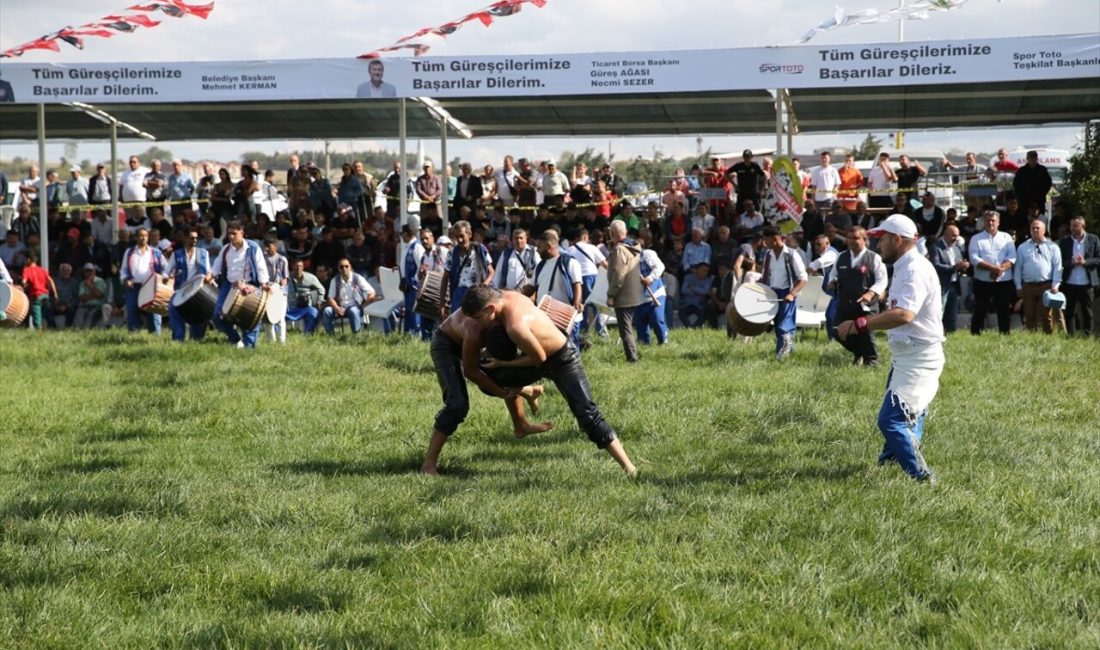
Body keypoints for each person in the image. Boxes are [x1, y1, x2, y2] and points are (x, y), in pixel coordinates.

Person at [448, 286, 637, 477]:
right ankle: (530, 391)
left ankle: (630, 468)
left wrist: (503, 362)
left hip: (561, 359)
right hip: (537, 357)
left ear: (490, 309)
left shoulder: (515, 325)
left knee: (587, 415)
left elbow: (539, 357)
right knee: (489, 381)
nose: (478, 325)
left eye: (478, 319)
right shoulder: (508, 295)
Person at [837, 215, 942, 484]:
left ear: (897, 240)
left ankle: (922, 476)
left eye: (882, 238)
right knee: (907, 412)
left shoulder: (914, 269)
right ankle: (888, 463)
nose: (879, 243)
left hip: (918, 356)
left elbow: (904, 314)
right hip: (908, 355)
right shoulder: (906, 265)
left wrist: (861, 323)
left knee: (891, 420)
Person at [420, 299, 553, 475]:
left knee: (504, 374)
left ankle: (521, 424)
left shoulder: (508, 318)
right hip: (446, 345)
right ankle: (428, 465)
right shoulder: (474, 330)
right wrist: (500, 392)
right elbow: (471, 372)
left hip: (480, 340)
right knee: (457, 405)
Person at [826, 226, 888, 365]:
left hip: (865, 305)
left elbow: (882, 280)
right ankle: (859, 352)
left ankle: (871, 363)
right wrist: (832, 281)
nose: (851, 241)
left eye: (856, 238)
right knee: (837, 331)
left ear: (865, 240)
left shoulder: (874, 258)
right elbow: (833, 274)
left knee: (866, 335)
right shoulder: (841, 256)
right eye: (849, 238)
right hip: (845, 304)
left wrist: (871, 293)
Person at [206, 221, 271, 348]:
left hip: (250, 285)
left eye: (234, 234)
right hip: (229, 285)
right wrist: (208, 277)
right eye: (229, 233)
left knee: (251, 316)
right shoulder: (225, 249)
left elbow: (261, 268)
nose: (231, 237)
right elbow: (216, 267)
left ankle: (249, 347)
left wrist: (263, 284)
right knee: (218, 316)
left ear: (242, 233)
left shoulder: (253, 248)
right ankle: (235, 340)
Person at [760, 225, 808, 361]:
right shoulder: (768, 255)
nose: (765, 243)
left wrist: (792, 294)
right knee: (777, 324)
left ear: (775, 239)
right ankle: (787, 353)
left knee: (784, 325)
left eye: (766, 239)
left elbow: (803, 278)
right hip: (772, 293)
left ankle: (781, 357)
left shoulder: (792, 255)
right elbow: (765, 276)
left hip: (787, 293)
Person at [968, 211, 1017, 335]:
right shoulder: (976, 238)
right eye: (988, 220)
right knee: (980, 309)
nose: (990, 223)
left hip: (1004, 281)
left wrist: (999, 269)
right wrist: (993, 269)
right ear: (984, 222)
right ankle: (975, 335)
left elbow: (1012, 257)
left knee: (1004, 310)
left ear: (998, 222)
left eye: (993, 220)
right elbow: (974, 258)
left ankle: (1005, 335)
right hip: (982, 281)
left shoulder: (1006, 237)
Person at [531, 229, 583, 343]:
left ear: (549, 246)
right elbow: (531, 287)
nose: (537, 251)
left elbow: (577, 284)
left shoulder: (569, 262)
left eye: (539, 247)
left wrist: (577, 303)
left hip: (566, 318)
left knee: (570, 351)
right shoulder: (540, 266)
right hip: (546, 318)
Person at [606, 220, 646, 362]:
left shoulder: (619, 249)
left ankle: (632, 359)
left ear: (612, 233)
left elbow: (619, 274)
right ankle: (634, 353)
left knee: (625, 330)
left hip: (623, 296)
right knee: (629, 327)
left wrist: (611, 294)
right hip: (634, 293)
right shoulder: (633, 247)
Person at [1013, 220, 1063, 334]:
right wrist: (1018, 287)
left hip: (1046, 285)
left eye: (1038, 228)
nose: (1035, 230)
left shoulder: (1053, 247)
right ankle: (1032, 338)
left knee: (1046, 315)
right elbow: (1017, 269)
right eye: (1033, 228)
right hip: (1028, 286)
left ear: (1044, 230)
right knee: (1029, 315)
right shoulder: (1022, 247)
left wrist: (1056, 284)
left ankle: (1047, 338)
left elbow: (1058, 267)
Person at [163, 228, 212, 342]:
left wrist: (209, 279)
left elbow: (209, 271)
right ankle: (178, 339)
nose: (194, 240)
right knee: (172, 307)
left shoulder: (204, 253)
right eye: (191, 238)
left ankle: (196, 339)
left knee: (201, 312)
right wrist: (166, 277)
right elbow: (166, 271)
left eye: (196, 238)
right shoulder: (177, 254)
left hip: (198, 290)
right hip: (181, 290)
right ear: (184, 238)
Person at [119, 227, 168, 334]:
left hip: (151, 287)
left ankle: (155, 336)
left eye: (145, 235)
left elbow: (166, 268)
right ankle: (134, 336)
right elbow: (123, 270)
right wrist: (125, 279)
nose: (143, 238)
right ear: (136, 237)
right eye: (140, 235)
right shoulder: (129, 252)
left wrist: (162, 278)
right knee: (132, 310)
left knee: (153, 312)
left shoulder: (156, 252)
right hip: (134, 286)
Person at [442, 220, 494, 315]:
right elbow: (445, 278)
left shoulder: (480, 249)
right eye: (457, 236)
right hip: (458, 293)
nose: (459, 240)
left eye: (462, 236)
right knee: (458, 325)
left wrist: (484, 286)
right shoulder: (452, 253)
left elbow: (491, 271)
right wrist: (442, 304)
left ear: (469, 234)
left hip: (476, 293)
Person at [1059, 216, 1100, 336]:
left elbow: (1098, 258)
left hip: (1087, 283)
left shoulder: (1093, 239)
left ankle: (1087, 336)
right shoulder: (1065, 241)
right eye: (1071, 225)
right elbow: (1061, 261)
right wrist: (1070, 263)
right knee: (1070, 311)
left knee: (1087, 311)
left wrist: (1085, 262)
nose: (1072, 228)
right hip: (1069, 282)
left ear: (1083, 226)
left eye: (1075, 226)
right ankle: (1070, 336)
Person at [322, 257, 380, 335]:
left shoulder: (357, 278)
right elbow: (330, 298)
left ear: (350, 267)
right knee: (327, 311)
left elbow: (372, 292)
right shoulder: (335, 280)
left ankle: (356, 336)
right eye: (341, 267)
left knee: (354, 311)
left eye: (346, 266)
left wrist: (364, 306)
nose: (344, 269)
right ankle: (330, 336)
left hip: (355, 306)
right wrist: (336, 308)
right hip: (340, 307)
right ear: (338, 268)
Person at [929, 224, 969, 333]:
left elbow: (959, 265)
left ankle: (951, 334)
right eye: (953, 236)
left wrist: (964, 266)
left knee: (952, 312)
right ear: (945, 235)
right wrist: (954, 267)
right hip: (942, 285)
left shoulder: (956, 248)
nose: (955, 238)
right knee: (939, 312)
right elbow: (936, 265)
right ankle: (935, 333)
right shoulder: (936, 247)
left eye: (957, 236)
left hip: (955, 284)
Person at [633, 228, 668, 345]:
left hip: (655, 293)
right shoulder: (627, 262)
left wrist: (649, 278)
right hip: (639, 297)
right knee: (640, 322)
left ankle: (663, 341)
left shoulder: (648, 254)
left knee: (657, 319)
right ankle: (644, 344)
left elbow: (660, 267)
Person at [19, 250, 56, 330]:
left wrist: (22, 285)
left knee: (37, 316)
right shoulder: (42, 270)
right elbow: (50, 281)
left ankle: (38, 331)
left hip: (36, 296)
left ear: (29, 259)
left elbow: (23, 281)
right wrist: (55, 294)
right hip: (45, 295)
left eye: (25, 259)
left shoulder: (27, 270)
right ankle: (51, 329)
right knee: (47, 314)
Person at [286, 259, 325, 334]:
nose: (298, 268)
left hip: (305, 307)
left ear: (303, 267)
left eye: (300, 266)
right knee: (279, 315)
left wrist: (319, 300)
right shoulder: (287, 278)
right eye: (296, 266)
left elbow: (321, 289)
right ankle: (281, 335)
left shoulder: (310, 278)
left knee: (314, 312)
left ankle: (308, 333)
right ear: (292, 267)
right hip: (290, 308)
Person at [262, 238, 290, 343]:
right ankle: (270, 341)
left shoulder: (282, 259)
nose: (267, 248)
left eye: (269, 246)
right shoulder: (263, 259)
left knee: (280, 317)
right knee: (268, 318)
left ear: (275, 247)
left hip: (280, 291)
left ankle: (282, 341)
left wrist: (279, 285)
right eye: (266, 246)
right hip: (267, 290)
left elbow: (285, 278)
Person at [399, 224, 425, 335]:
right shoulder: (407, 246)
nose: (401, 237)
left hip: (414, 284)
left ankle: (416, 334)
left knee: (414, 311)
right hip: (407, 284)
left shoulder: (417, 247)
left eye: (401, 234)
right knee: (409, 310)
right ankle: (409, 333)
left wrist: (415, 280)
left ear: (406, 234)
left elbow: (422, 266)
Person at [1013, 150, 1054, 215]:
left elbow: (1048, 183)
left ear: (1036, 158)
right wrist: (1021, 196)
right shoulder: (1021, 171)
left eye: (1034, 157)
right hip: (1024, 201)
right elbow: (1016, 185)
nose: (1032, 159)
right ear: (1027, 158)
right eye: (1030, 157)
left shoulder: (1042, 170)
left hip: (1039, 200)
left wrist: (1042, 192)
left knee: (1039, 219)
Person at [74, 263, 110, 328]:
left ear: (94, 271)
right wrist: (94, 294)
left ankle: (86, 330)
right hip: (85, 306)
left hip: (97, 307)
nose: (89, 273)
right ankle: (76, 331)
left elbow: (99, 295)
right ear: (84, 272)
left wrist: (90, 286)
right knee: (79, 312)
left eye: (90, 271)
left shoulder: (100, 281)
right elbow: (82, 298)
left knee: (90, 317)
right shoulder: (82, 283)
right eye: (86, 271)